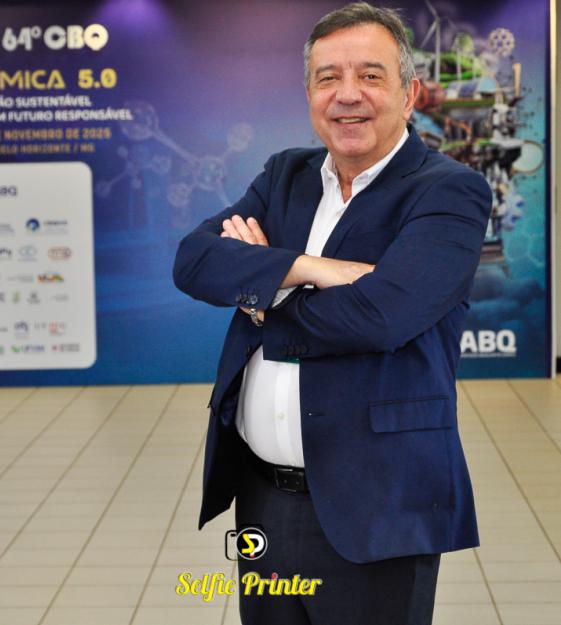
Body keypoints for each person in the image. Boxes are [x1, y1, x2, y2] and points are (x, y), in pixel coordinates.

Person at [173, 3, 492, 624]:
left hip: (377, 503)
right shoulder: (285, 176)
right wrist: (310, 268)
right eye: (328, 77)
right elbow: (193, 261)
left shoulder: (447, 190)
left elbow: (382, 316)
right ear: (310, 95)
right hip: (262, 499)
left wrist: (263, 290)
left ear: (409, 94)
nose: (348, 95)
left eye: (371, 75)